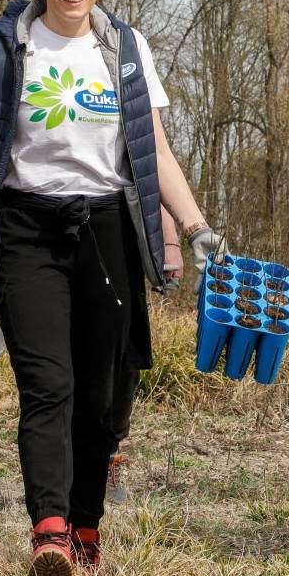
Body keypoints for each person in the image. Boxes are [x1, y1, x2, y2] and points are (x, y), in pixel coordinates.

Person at [0, 0, 224, 576]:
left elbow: (155, 150)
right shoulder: (2, 48)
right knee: (47, 384)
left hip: (108, 232)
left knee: (104, 396)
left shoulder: (124, 47)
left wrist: (194, 225)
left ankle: (87, 525)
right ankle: (49, 530)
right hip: (28, 230)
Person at [107, 207, 183, 504]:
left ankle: (110, 452)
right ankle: (66, 466)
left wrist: (170, 243)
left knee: (124, 363)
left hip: (120, 243)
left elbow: (150, 175)